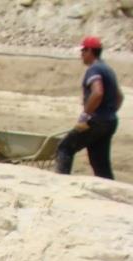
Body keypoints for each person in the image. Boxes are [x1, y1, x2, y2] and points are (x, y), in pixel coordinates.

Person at [56, 35, 124, 180]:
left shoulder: (94, 70)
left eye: (83, 51)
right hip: (110, 121)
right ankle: (109, 192)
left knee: (65, 148)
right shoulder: (108, 69)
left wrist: (86, 115)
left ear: (90, 51)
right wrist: (109, 113)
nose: (81, 55)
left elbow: (97, 92)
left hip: (95, 121)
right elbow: (119, 97)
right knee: (100, 162)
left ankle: (60, 184)